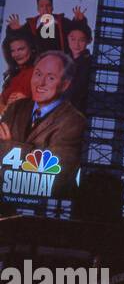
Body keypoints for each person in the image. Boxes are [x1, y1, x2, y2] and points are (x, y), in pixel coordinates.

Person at [0, 51, 86, 179]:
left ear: (65, 84)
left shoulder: (75, 121)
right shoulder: (15, 107)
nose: (41, 83)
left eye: (51, 78)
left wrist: (9, 145)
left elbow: (54, 167)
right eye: (38, 74)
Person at [6, 0, 89, 53]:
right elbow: (17, 39)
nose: (45, 9)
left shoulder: (62, 22)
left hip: (60, 63)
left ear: (52, 8)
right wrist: (14, 30)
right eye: (42, 6)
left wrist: (80, 20)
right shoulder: (30, 25)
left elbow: (77, 30)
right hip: (37, 64)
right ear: (38, 9)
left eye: (48, 6)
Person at [0, 29, 36, 113]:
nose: (16, 54)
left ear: (32, 48)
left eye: (21, 49)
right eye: (12, 50)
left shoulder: (38, 72)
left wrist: (27, 101)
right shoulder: (14, 74)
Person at [64, 22, 94, 113]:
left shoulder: (90, 62)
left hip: (76, 110)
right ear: (67, 38)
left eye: (81, 40)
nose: (76, 44)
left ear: (89, 41)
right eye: (73, 39)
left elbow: (79, 89)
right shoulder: (62, 60)